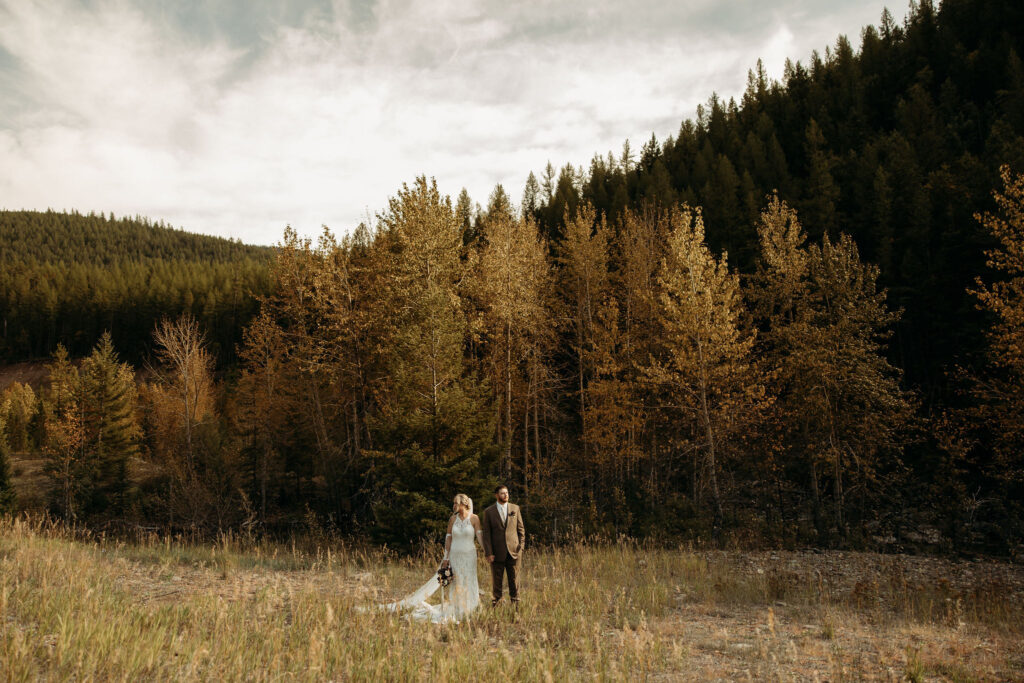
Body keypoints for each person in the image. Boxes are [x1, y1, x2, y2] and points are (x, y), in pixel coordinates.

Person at [371, 493, 485, 623]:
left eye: (456, 503)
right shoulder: (452, 520)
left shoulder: (475, 519)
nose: (453, 505)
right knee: (456, 581)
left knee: (469, 581)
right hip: (455, 555)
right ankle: (457, 607)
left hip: (469, 556)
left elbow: (480, 538)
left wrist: (487, 551)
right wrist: (446, 557)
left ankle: (470, 608)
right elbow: (448, 539)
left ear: (464, 504)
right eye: (453, 503)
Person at [480, 485, 525, 606]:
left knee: (514, 580)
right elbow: (486, 534)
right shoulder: (489, 512)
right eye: (502, 493)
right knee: (497, 581)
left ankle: (516, 607)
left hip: (514, 552)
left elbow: (521, 530)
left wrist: (521, 547)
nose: (506, 495)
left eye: (507, 493)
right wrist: (489, 553)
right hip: (497, 553)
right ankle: (496, 605)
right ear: (496, 495)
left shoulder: (515, 508)